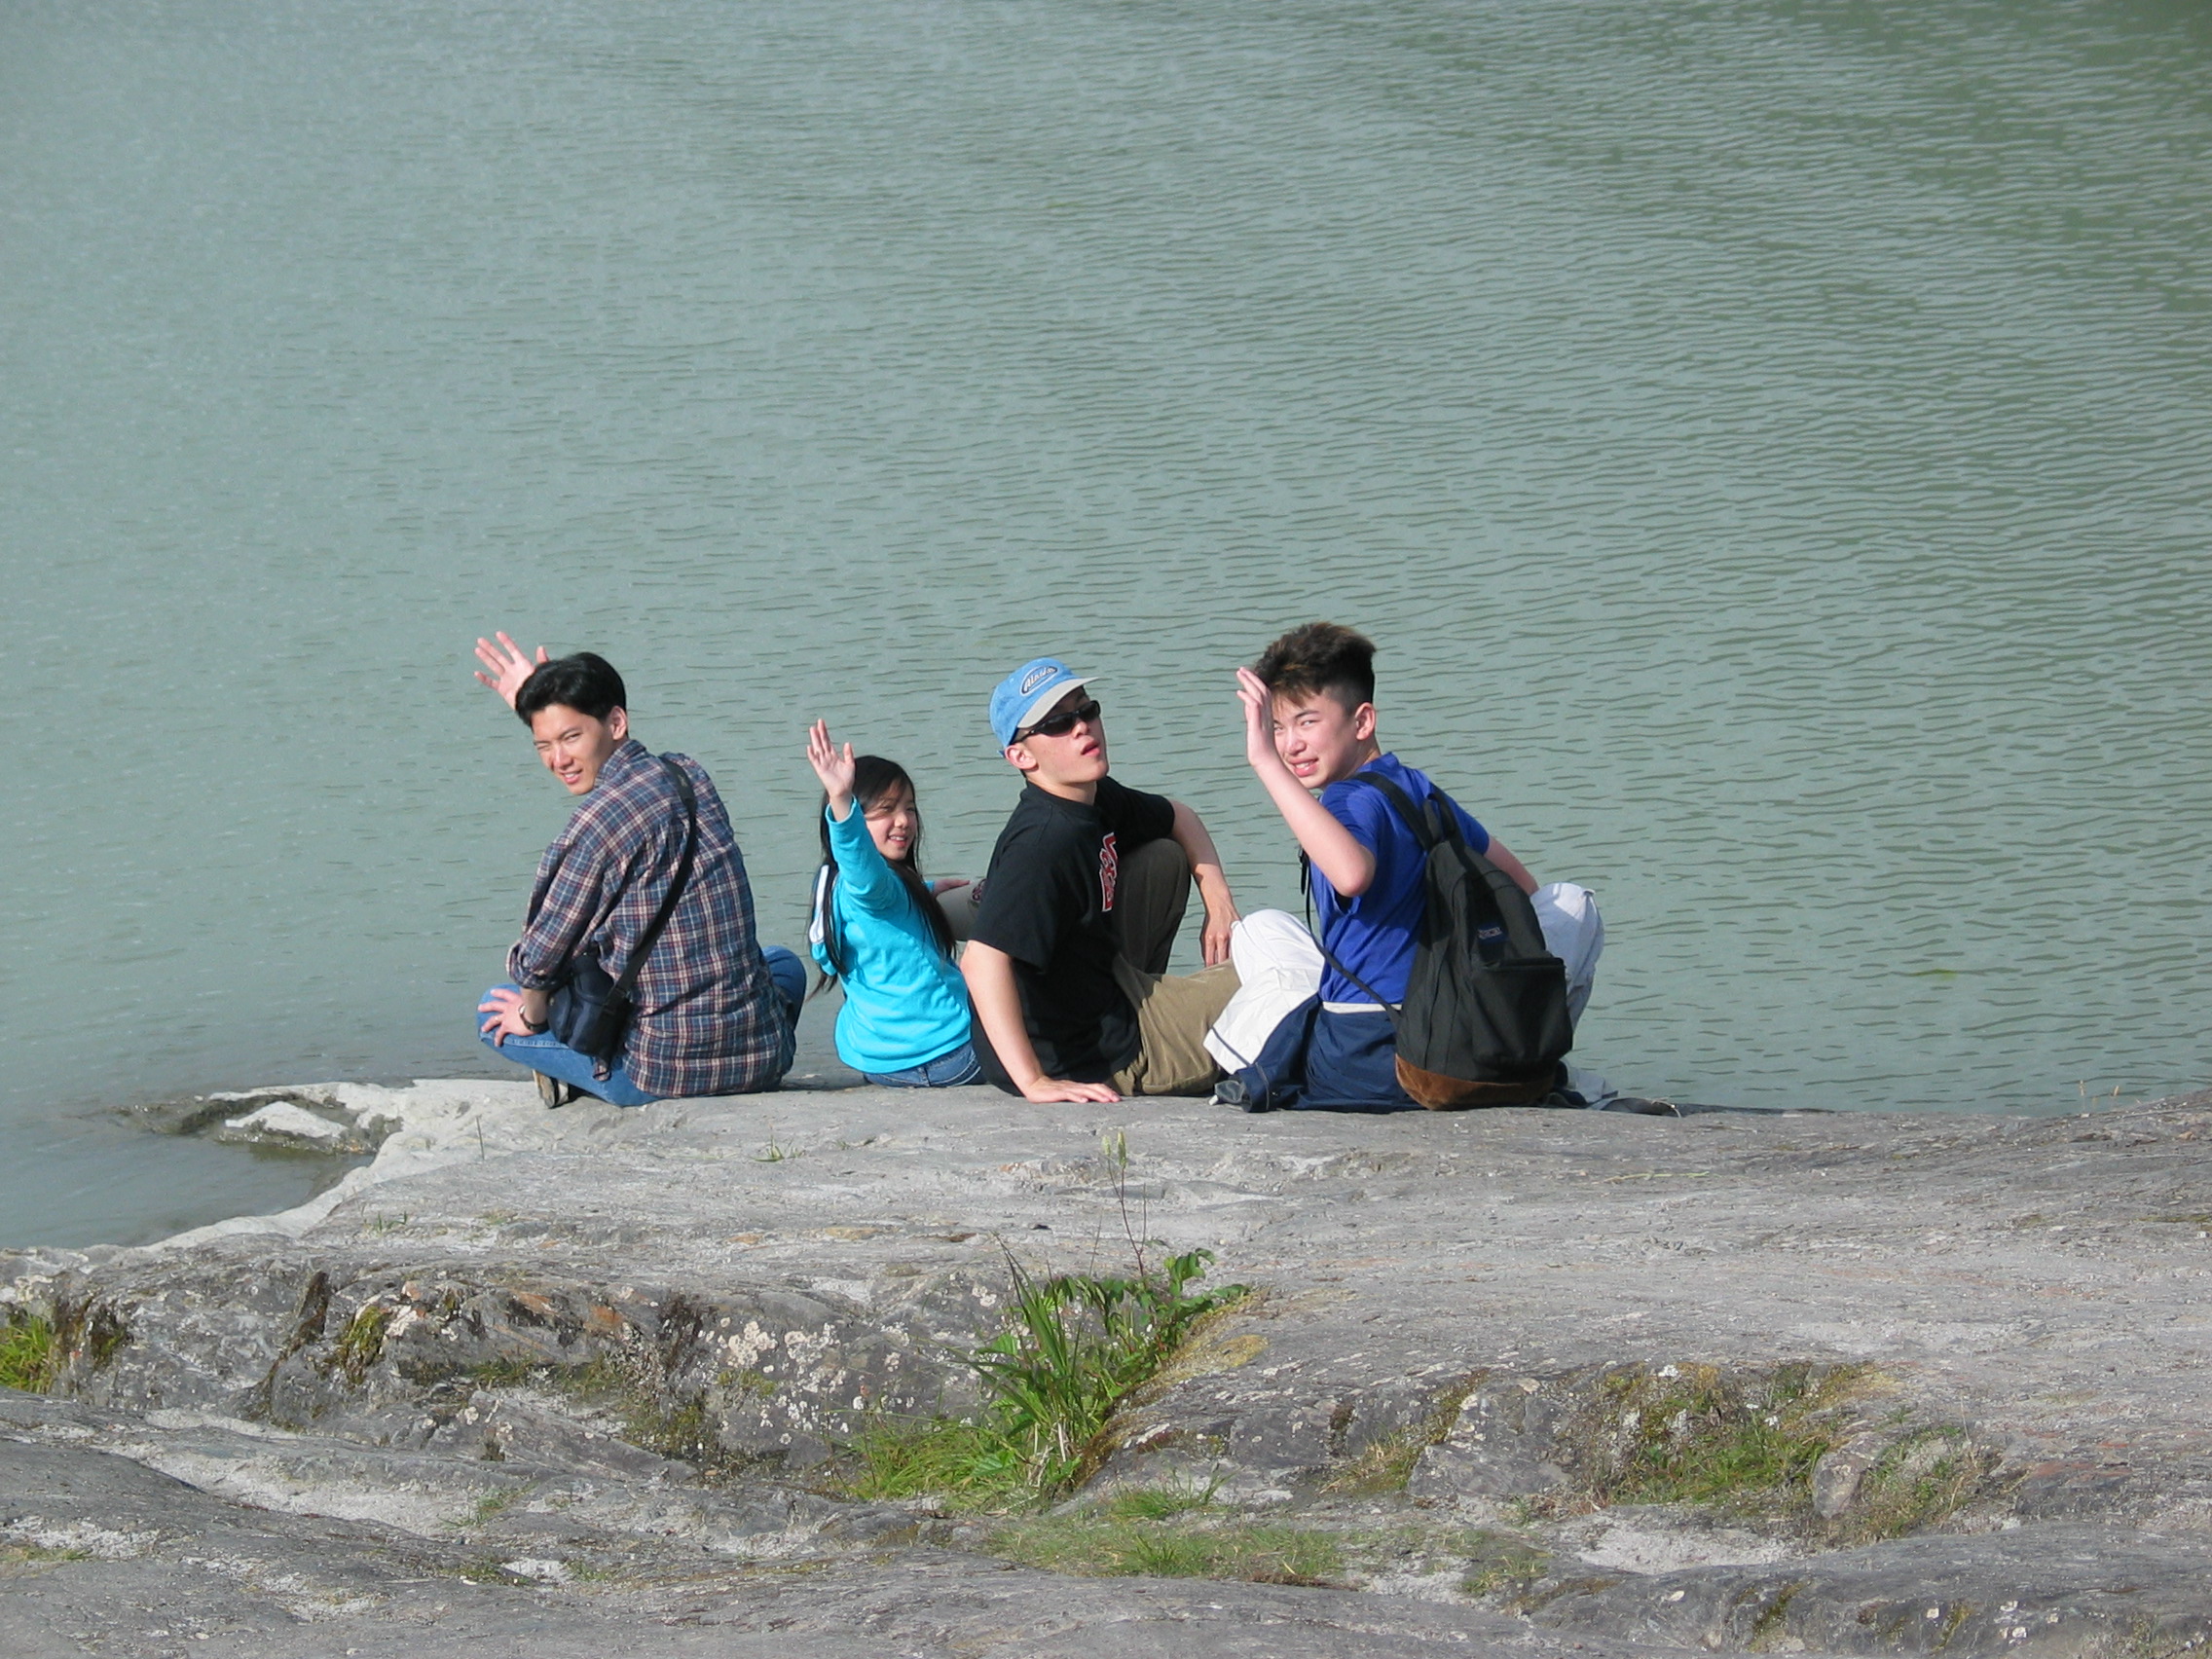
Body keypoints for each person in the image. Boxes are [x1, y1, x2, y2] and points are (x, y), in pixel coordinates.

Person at [1230, 621, 1602, 1109]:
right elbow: (1522, 890)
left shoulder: (1345, 802)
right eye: (1277, 728)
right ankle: (1527, 1055)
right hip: (1463, 1039)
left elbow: (1352, 875)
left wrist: (1264, 762)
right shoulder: (1420, 789)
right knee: (1570, 903)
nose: (1290, 744)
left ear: (1362, 722)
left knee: (1256, 930)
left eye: (1307, 722)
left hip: (1370, 1064)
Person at [470, 633, 804, 1106]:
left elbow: (539, 961)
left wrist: (530, 1019)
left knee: (493, 1011)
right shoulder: (688, 775)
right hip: (765, 1057)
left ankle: (583, 1076)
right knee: (784, 964)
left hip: (661, 1074)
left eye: (570, 738)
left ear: (616, 722)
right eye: (543, 744)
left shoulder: (594, 827)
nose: (558, 760)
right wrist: (542, 703)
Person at [959, 657, 1242, 1103]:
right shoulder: (1045, 842)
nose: (1081, 727)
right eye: (1057, 723)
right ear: (1021, 756)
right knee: (1282, 974)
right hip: (1098, 1052)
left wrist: (1219, 904)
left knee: (1161, 856)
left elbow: (1179, 816)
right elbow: (980, 962)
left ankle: (1156, 994)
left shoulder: (1090, 798)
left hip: (1105, 985)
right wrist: (1033, 1082)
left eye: (1086, 709)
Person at [803, 719, 980, 1088]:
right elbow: (863, 869)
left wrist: (924, 890)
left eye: (909, 808)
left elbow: (874, 912)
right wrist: (841, 801)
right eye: (885, 810)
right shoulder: (870, 885)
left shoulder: (832, 884)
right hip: (948, 1057)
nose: (903, 821)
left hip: (880, 1062)